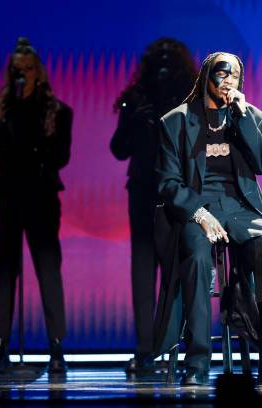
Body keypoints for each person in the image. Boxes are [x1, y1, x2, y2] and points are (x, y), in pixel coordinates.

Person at [154, 52, 262, 386]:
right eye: (221, 73)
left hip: (240, 208)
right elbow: (168, 183)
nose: (228, 80)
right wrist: (199, 215)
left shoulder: (250, 117)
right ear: (206, 76)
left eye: (234, 75)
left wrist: (242, 116)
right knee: (199, 259)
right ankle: (198, 363)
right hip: (196, 209)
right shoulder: (176, 121)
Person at [0, 38, 72, 374]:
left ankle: (56, 347)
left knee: (48, 270)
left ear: (38, 72)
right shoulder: (0, 108)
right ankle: (0, 345)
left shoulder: (56, 112)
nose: (22, 75)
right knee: (4, 272)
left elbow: (61, 157)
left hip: (41, 199)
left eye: (27, 69)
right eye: (17, 70)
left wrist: (45, 136)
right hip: (6, 197)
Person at [110, 38, 196, 374]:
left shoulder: (190, 101)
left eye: (169, 58)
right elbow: (118, 149)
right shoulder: (136, 99)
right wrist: (133, 121)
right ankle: (145, 348)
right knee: (143, 269)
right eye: (157, 58)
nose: (163, 65)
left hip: (177, 192)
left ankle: (175, 345)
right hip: (144, 191)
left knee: (176, 270)